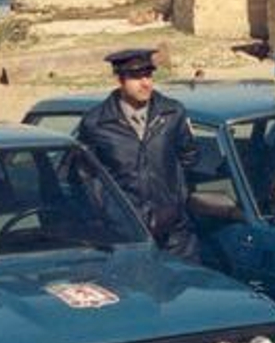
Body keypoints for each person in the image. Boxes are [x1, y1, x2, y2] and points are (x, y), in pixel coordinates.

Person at [76, 48, 200, 260]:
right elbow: (86, 177)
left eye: (149, 75)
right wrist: (113, 214)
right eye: (136, 77)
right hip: (124, 238)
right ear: (119, 80)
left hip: (175, 235)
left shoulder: (172, 113)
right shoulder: (96, 123)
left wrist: (176, 204)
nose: (146, 83)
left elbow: (189, 159)